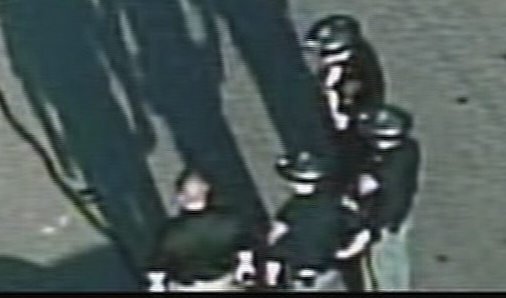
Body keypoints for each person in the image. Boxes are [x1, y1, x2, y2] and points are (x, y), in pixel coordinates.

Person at [262, 151, 371, 292]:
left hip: (302, 273)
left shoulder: (293, 208)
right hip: (329, 269)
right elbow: (363, 233)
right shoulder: (336, 204)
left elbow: (275, 245)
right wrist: (347, 252)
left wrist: (271, 283)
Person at [143, 171, 265, 292]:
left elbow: (158, 265)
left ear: (181, 196)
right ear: (207, 191)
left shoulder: (171, 231)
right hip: (223, 283)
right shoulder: (231, 221)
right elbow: (245, 246)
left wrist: (157, 284)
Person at [350, 105, 421, 292]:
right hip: (394, 217)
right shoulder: (408, 148)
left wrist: (371, 228)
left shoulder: (388, 167)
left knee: (384, 264)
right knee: (385, 262)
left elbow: (366, 187)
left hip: (382, 221)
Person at [303, 15, 386, 172]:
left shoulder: (351, 72)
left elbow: (345, 98)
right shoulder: (353, 57)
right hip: (350, 118)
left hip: (351, 122)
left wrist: (341, 117)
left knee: (349, 150)